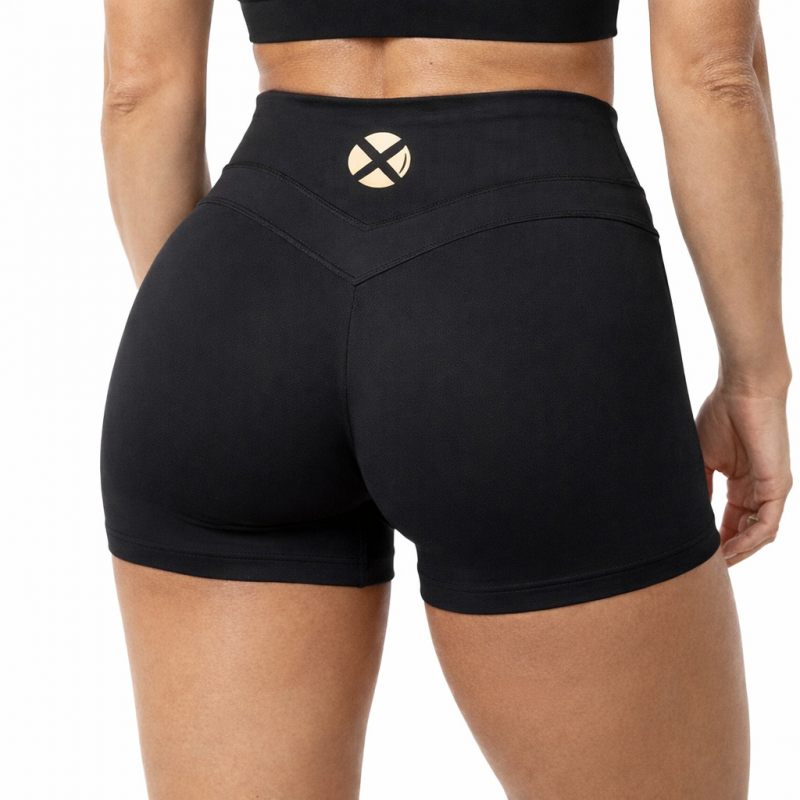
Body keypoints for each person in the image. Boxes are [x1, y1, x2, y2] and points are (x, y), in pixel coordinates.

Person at [99, 0, 791, 797]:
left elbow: (137, 91)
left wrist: (218, 343)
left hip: (240, 285)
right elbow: (715, 77)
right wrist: (754, 374)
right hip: (528, 293)